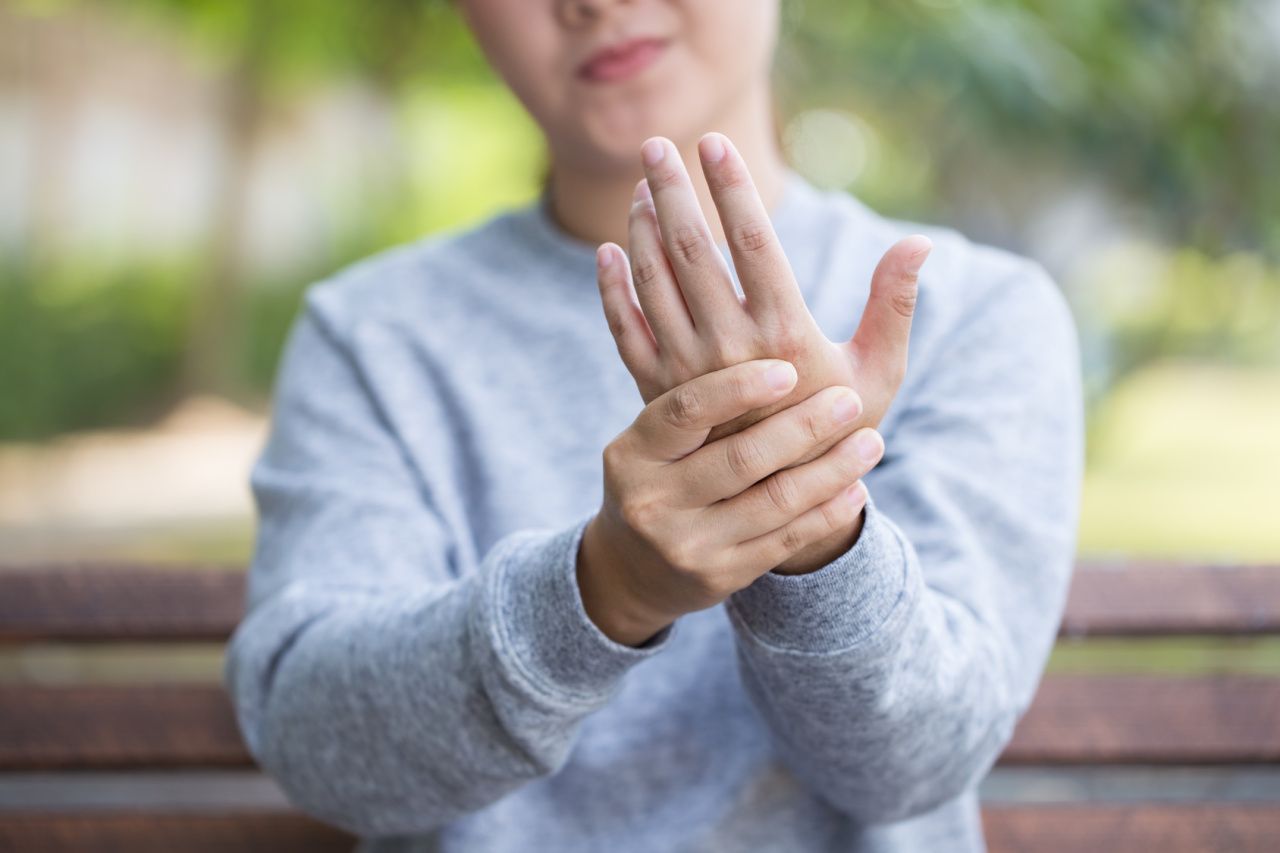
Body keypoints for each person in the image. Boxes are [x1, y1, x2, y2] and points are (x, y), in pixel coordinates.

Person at [224, 0, 1084, 850]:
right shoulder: (370, 335)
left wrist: (813, 535)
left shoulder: (969, 313)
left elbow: (914, 767)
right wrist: (603, 589)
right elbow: (319, 747)